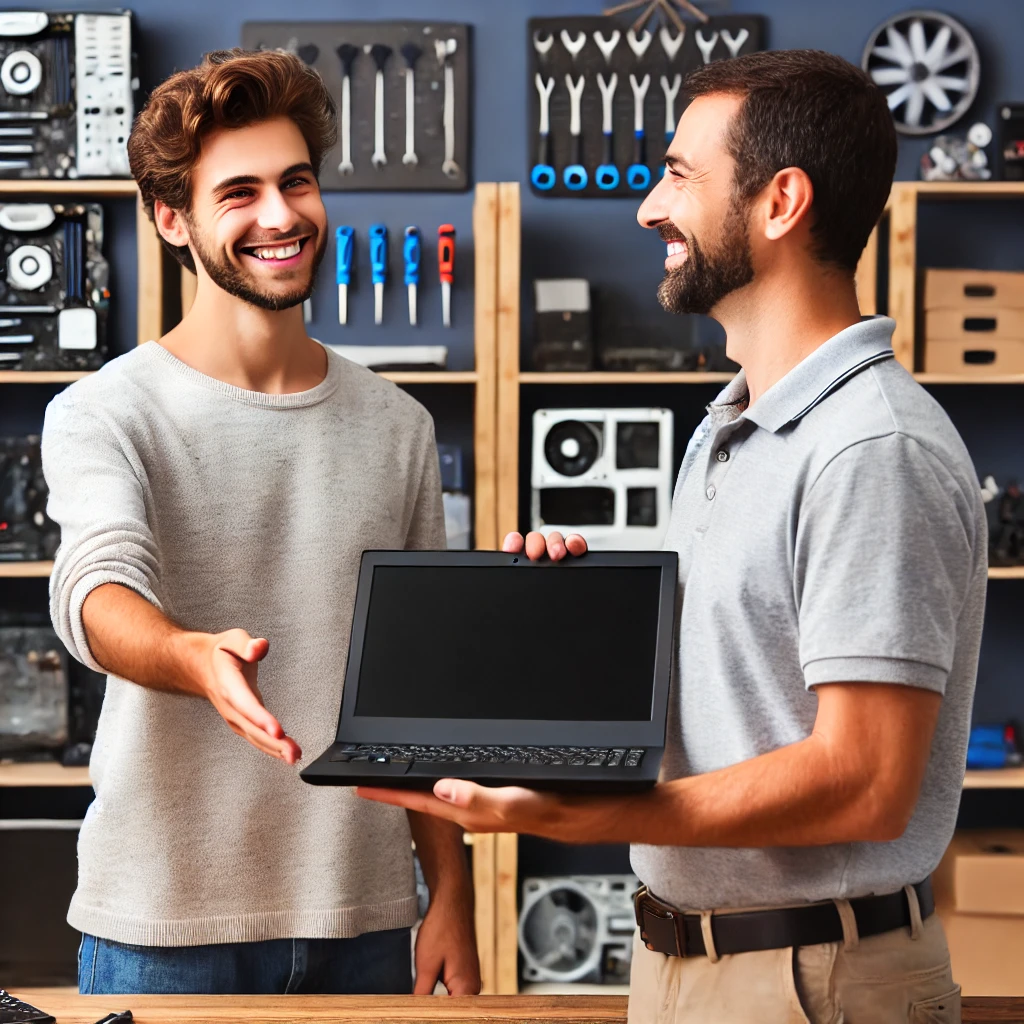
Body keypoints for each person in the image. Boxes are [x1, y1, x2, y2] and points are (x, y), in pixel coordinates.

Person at [360, 50, 984, 1024]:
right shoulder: (729, 423)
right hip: (686, 964)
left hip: (808, 978)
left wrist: (593, 817)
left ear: (780, 202)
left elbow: (863, 781)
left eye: (679, 176)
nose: (649, 210)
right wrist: (570, 630)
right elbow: (735, 694)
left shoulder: (871, 447)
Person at [42, 49, 479, 997]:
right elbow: (96, 588)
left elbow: (420, 685)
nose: (280, 216)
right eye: (237, 193)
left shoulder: (397, 426)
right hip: (161, 927)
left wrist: (452, 891)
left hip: (362, 917)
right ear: (171, 219)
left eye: (297, 182)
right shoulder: (103, 413)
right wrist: (192, 656)